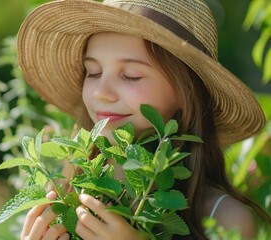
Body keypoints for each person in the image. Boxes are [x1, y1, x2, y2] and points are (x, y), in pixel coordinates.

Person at [15, 0, 271, 239]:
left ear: (186, 92)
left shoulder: (224, 217)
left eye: (130, 76)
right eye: (93, 72)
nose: (101, 93)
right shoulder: (65, 193)